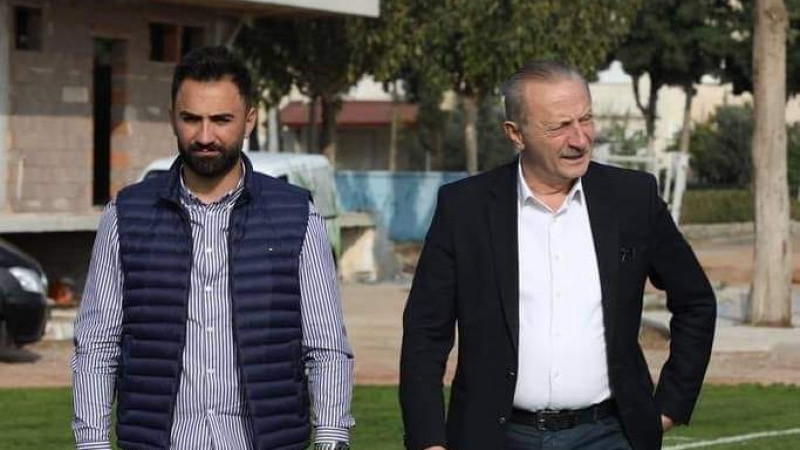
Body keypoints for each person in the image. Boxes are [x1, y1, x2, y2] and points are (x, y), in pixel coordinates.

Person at [399, 60, 716, 450]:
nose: (580, 139)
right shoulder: (465, 208)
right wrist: (429, 441)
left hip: (611, 437)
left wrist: (669, 405)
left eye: (586, 119)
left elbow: (696, 301)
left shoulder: (633, 199)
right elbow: (425, 332)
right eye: (559, 126)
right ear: (516, 134)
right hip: (496, 438)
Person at [71, 46, 353, 450]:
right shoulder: (125, 215)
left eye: (221, 120)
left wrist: (331, 437)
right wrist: (92, 444)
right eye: (191, 119)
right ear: (173, 117)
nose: (205, 136)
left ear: (249, 119)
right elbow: (97, 348)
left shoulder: (296, 215)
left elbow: (325, 348)